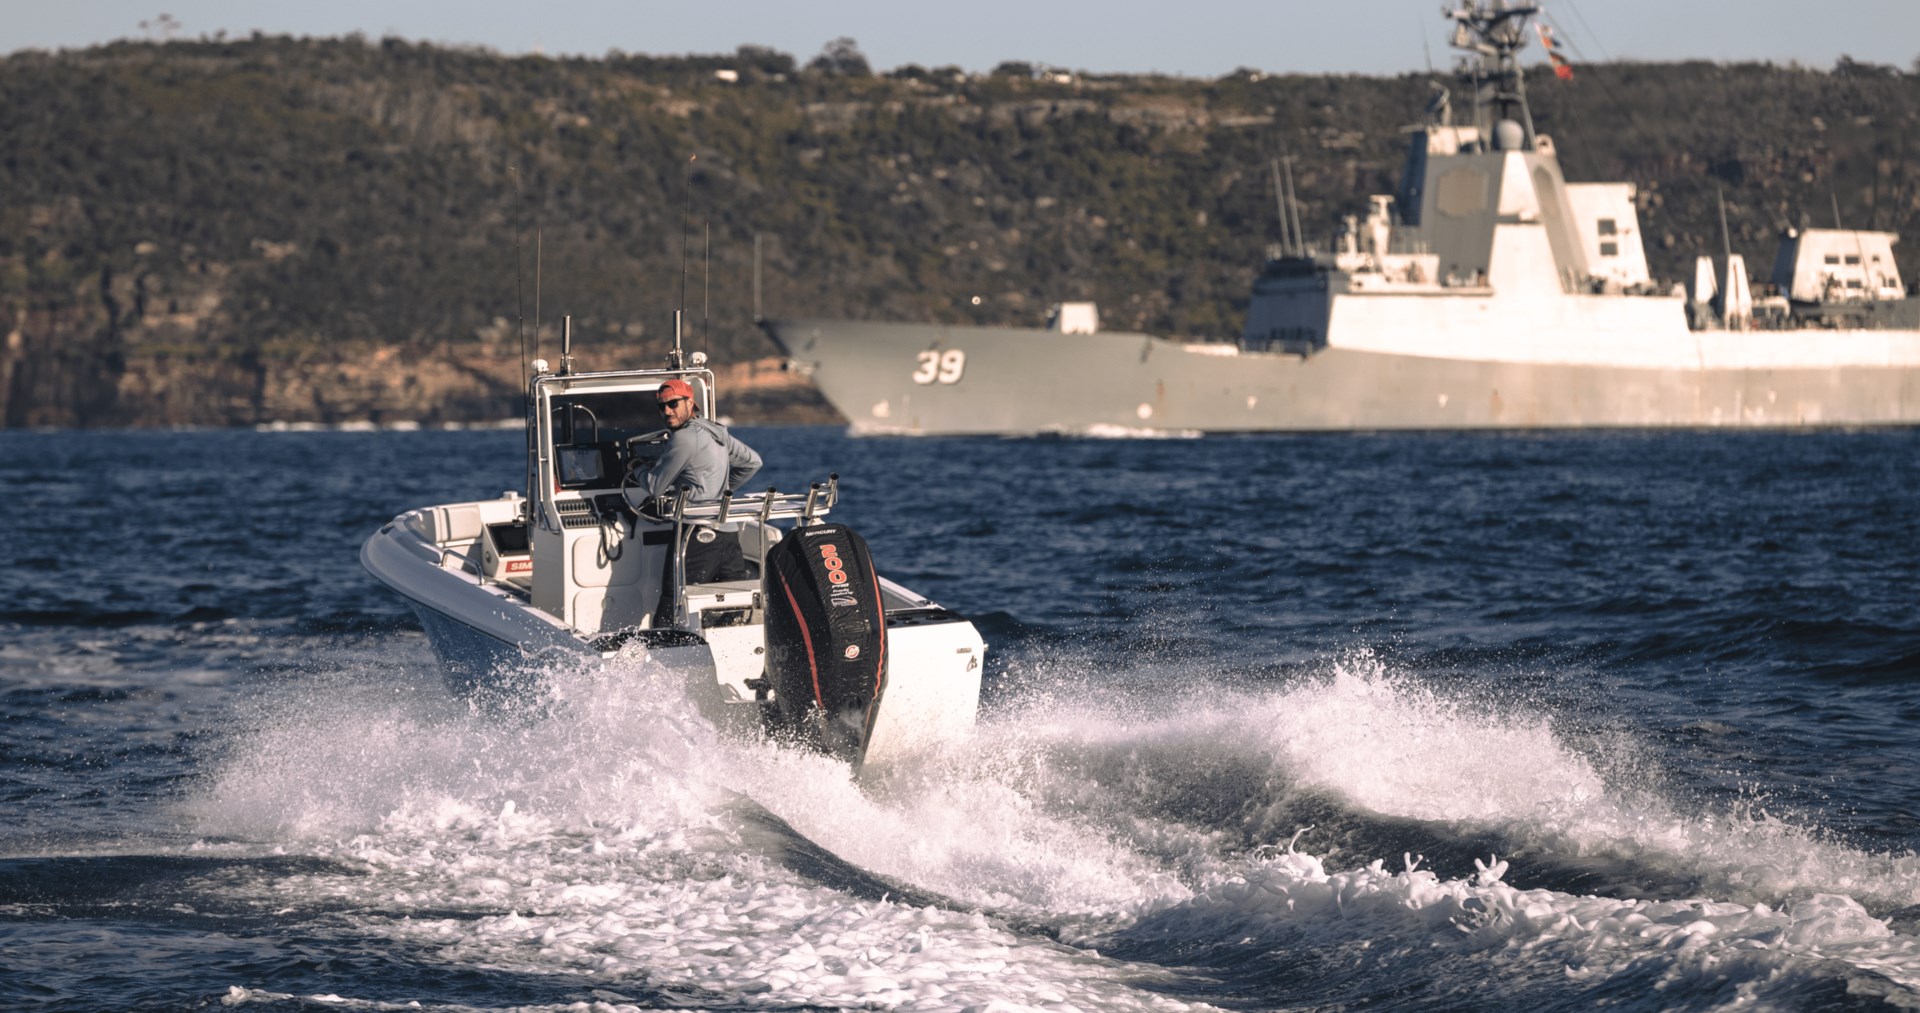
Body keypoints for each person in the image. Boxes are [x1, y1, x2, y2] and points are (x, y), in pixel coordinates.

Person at [638, 378, 762, 622]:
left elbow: (654, 486)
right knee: (731, 609)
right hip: (728, 536)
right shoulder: (716, 431)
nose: (667, 411)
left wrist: (635, 469)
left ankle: (658, 658)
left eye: (673, 404)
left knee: (674, 603)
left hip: (696, 536)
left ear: (690, 402)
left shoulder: (682, 438)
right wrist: (721, 492)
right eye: (661, 406)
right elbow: (753, 462)